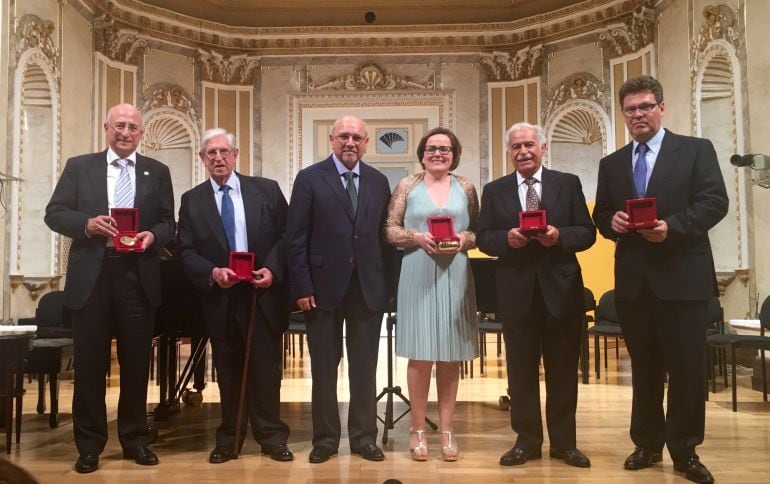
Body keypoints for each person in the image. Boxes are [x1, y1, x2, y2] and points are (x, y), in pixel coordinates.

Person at [593, 75, 728, 484]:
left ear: (662, 107)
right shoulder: (612, 163)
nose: (639, 114)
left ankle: (685, 451)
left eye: (646, 106)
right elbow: (601, 216)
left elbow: (714, 202)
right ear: (624, 114)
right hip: (635, 283)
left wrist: (672, 226)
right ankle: (647, 444)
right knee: (645, 369)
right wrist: (611, 222)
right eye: (631, 109)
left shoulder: (695, 150)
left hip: (682, 277)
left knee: (687, 368)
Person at [44, 103, 175, 473]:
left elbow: (169, 222)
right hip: (92, 278)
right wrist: (86, 224)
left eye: (133, 127)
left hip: (138, 277)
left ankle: (135, 440)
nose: (126, 133)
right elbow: (54, 213)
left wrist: (154, 234)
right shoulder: (79, 167)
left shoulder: (157, 171)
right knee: (89, 366)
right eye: (119, 126)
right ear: (106, 128)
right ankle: (89, 446)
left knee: (136, 365)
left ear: (142, 133)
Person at [477, 122, 595, 469]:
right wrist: (506, 239)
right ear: (509, 152)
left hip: (562, 290)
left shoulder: (568, 183)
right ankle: (526, 441)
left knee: (562, 371)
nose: (523, 151)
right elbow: (484, 237)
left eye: (529, 144)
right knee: (521, 371)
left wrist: (559, 236)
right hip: (515, 292)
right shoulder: (494, 190)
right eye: (516, 147)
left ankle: (564, 444)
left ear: (543, 147)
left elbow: (587, 233)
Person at [177, 128, 293, 464]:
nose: (218, 158)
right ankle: (229, 439)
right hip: (222, 296)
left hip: (262, 295)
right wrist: (212, 273)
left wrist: (272, 269)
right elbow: (185, 250)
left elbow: (287, 236)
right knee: (227, 372)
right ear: (202, 159)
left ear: (235, 154)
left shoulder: (266, 191)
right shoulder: (192, 200)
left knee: (267, 370)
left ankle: (272, 437)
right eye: (210, 153)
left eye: (223, 152)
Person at [287, 115, 392, 464]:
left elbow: (383, 239)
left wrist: (388, 290)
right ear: (332, 139)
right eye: (343, 136)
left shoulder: (378, 181)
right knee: (324, 368)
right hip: (320, 289)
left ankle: (364, 438)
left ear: (366, 143)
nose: (350, 143)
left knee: (365, 367)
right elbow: (296, 237)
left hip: (367, 289)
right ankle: (326, 439)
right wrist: (301, 285)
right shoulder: (309, 178)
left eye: (357, 138)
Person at [384, 127, 479, 462]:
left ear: (454, 154)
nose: (438, 153)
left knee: (451, 355)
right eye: (432, 148)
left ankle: (449, 430)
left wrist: (463, 240)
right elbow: (389, 230)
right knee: (421, 355)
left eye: (445, 149)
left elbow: (476, 231)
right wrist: (416, 237)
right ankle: (418, 429)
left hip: (455, 272)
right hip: (417, 270)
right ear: (422, 153)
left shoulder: (466, 187)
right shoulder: (407, 185)